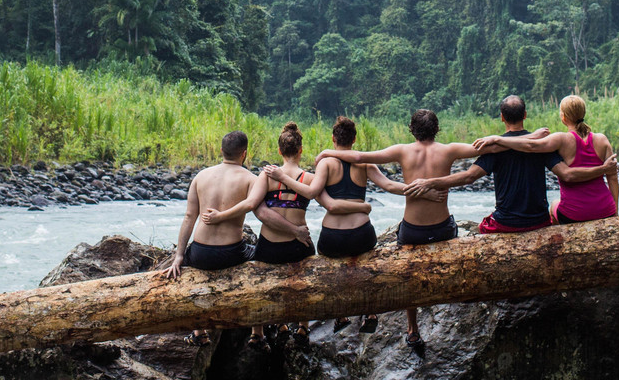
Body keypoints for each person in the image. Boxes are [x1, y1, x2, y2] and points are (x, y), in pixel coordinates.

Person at [312, 109, 478, 355]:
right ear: (437, 129)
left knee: (408, 274)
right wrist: (523, 139)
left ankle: (412, 329)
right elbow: (484, 147)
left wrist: (327, 152)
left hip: (412, 231)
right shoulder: (450, 149)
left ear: (412, 129)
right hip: (442, 229)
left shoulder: (402, 150)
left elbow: (359, 156)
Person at [267, 115, 445, 336]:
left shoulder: (326, 163)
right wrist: (425, 190)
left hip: (333, 238)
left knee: (324, 255)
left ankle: (340, 314)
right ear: (354, 139)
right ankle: (369, 312)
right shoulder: (364, 162)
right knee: (368, 256)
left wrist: (282, 177)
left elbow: (312, 193)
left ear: (333, 139)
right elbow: (390, 185)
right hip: (361, 235)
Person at [202, 121, 370, 351]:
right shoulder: (309, 179)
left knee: (259, 276)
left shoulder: (268, 176)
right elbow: (331, 205)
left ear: (279, 151)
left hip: (270, 247)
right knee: (308, 272)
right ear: (301, 150)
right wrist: (361, 206)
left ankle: (257, 333)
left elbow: (253, 205)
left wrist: (221, 215)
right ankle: (302, 326)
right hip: (297, 245)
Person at [164, 130, 309, 346]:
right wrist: (294, 231)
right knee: (260, 254)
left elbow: (189, 217)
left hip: (201, 253)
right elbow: (261, 213)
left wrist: (179, 256)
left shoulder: (201, 177)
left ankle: (199, 332)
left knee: (185, 264)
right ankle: (267, 327)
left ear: (221, 151)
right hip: (232, 253)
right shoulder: (250, 179)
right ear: (244, 154)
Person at [405, 96, 616, 235]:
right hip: (540, 221)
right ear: (525, 115)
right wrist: (603, 171)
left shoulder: (495, 148)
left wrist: (431, 183)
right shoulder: (541, 146)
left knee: (481, 228)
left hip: (506, 222)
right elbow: (566, 173)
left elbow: (468, 177)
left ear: (502, 117)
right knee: (553, 208)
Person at [476, 94, 618, 224]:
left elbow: (530, 146)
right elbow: (613, 178)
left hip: (575, 214)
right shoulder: (602, 139)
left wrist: (497, 139)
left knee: (554, 206)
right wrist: (615, 211)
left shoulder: (561, 139)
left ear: (563, 117)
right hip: (606, 210)